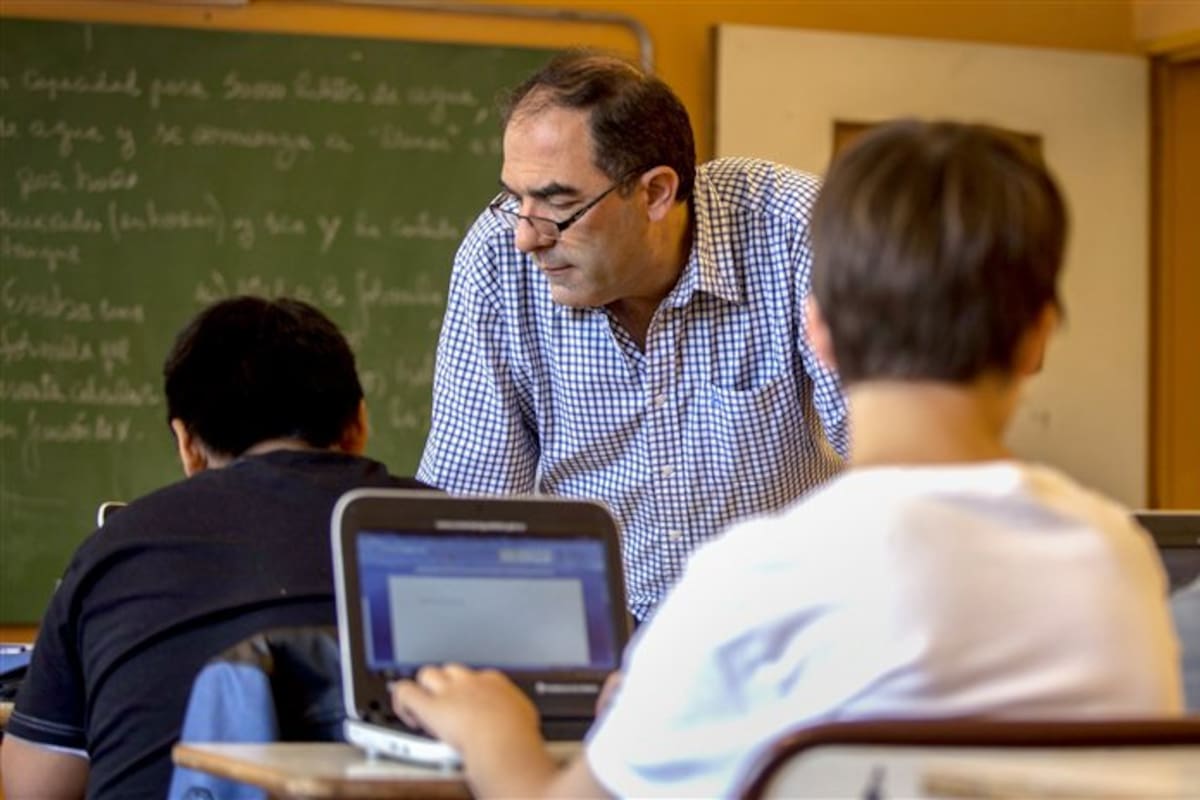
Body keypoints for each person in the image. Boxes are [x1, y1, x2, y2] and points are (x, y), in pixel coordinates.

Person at [389, 120, 1185, 798]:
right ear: (1040, 334)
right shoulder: (1117, 562)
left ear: (816, 331)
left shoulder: (748, 584)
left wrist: (497, 734)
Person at [417, 51, 848, 622]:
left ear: (655, 193)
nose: (527, 236)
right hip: (592, 625)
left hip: (779, 618)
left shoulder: (793, 229)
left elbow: (893, 442)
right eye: (515, 198)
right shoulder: (497, 259)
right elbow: (469, 505)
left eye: (558, 203)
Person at [1, 297, 431, 800]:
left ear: (187, 445)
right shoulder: (455, 535)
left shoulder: (115, 548)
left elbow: (35, 789)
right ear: (358, 423)